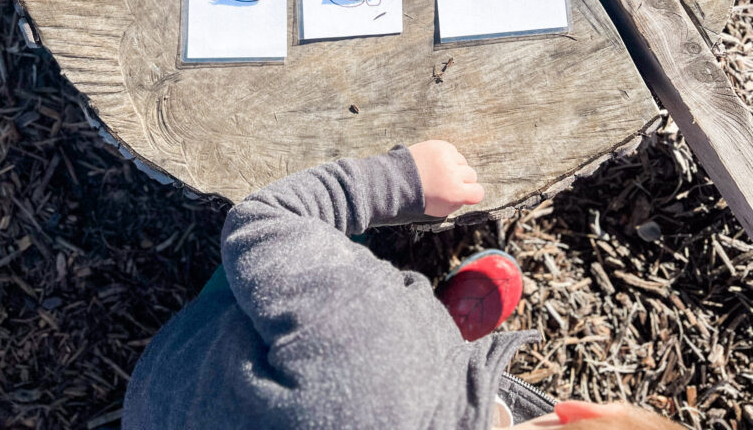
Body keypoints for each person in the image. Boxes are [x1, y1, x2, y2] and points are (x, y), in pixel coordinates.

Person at [123, 141, 686, 430]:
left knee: (327, 248)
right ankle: (439, 342)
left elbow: (264, 222)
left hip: (176, 389)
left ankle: (426, 335)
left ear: (580, 412)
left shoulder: (372, 345)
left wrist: (401, 180)